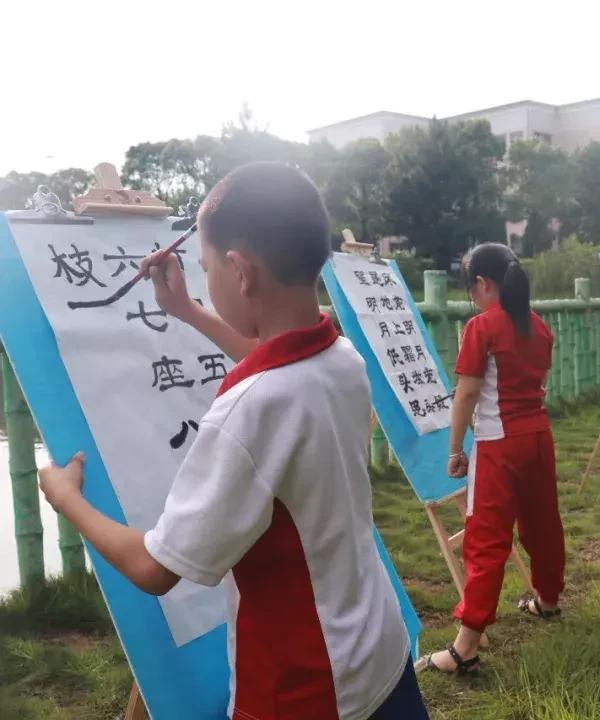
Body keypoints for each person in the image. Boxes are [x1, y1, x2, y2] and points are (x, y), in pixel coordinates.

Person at [37, 162, 428, 719]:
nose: (206, 279)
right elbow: (279, 368)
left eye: (206, 268)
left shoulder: (249, 410)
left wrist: (65, 497)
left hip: (304, 689)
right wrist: (187, 311)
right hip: (377, 651)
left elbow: (156, 569)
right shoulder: (340, 356)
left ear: (240, 272)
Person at [420, 243, 565, 675]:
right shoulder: (539, 327)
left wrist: (454, 450)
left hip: (499, 443)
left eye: (471, 290)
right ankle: (549, 600)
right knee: (543, 523)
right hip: (538, 437)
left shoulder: (482, 327)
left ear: (482, 284)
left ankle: (465, 647)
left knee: (485, 539)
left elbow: (465, 393)